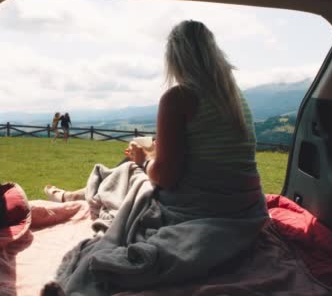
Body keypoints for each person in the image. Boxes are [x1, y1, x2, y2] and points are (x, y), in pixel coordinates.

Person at [42, 20, 267, 296]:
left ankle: (73, 196)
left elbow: (167, 177)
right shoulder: (234, 98)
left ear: (175, 58)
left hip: (202, 206)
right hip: (247, 207)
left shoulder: (179, 97)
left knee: (130, 174)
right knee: (133, 172)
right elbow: (207, 158)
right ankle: (73, 195)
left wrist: (144, 158)